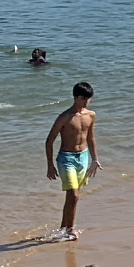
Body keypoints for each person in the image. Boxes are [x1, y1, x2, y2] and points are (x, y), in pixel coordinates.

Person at [45, 82, 99, 240]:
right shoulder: (65, 117)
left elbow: (91, 138)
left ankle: (64, 229)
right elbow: (49, 141)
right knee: (74, 195)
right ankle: (71, 228)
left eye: (88, 99)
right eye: (83, 99)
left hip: (83, 156)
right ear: (75, 98)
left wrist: (95, 159)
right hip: (66, 158)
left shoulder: (91, 115)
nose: (86, 102)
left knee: (73, 196)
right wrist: (50, 165)